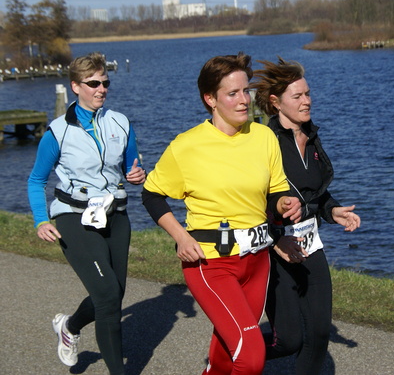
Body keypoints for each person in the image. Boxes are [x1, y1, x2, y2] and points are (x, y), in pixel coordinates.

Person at [141, 52, 302, 375]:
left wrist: (285, 204)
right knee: (252, 355)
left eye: (246, 91)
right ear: (210, 99)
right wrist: (180, 236)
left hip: (257, 262)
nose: (244, 100)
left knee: (228, 356)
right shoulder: (187, 146)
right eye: (233, 94)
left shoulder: (263, 136)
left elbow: (277, 192)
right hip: (211, 263)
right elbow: (151, 194)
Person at [27, 52, 147, 375]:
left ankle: (69, 326)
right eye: (93, 83)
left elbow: (132, 168)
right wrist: (41, 219)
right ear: (75, 86)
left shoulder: (120, 123)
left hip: (116, 216)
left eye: (105, 82)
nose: (102, 89)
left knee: (113, 294)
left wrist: (139, 175)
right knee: (108, 294)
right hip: (73, 217)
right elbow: (36, 180)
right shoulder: (57, 132)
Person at [253, 57, 361, 375]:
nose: (307, 101)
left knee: (317, 336)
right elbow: (248, 202)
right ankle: (232, 353)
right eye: (297, 96)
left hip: (309, 245)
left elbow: (312, 192)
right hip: (275, 249)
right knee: (288, 341)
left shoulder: (311, 136)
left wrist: (332, 210)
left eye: (308, 94)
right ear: (276, 102)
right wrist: (277, 223)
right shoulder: (264, 142)